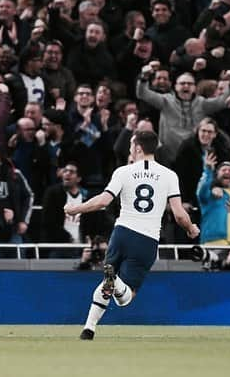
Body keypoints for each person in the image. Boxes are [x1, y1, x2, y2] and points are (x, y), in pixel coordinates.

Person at [64, 130, 200, 341]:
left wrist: (76, 208)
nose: (129, 149)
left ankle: (89, 328)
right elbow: (179, 213)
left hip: (121, 233)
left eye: (130, 145)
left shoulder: (123, 172)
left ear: (137, 147)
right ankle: (114, 281)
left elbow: (102, 201)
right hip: (146, 239)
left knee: (106, 286)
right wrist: (191, 229)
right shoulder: (169, 175)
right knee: (124, 299)